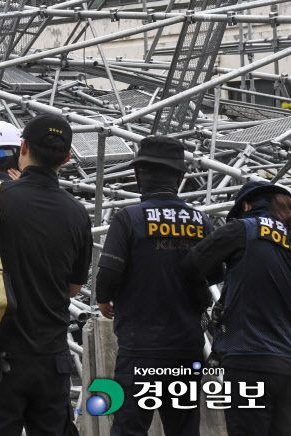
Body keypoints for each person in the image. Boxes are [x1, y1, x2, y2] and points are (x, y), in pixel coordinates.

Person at [0, 114, 91, 436]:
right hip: (51, 357)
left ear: (24, 147)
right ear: (68, 157)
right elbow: (73, 288)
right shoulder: (77, 213)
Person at [95, 136, 211, 436]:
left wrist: (104, 298)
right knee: (184, 428)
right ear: (180, 177)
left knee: (129, 429)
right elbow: (213, 276)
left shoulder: (128, 218)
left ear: (138, 176)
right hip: (186, 346)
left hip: (140, 348)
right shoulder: (202, 222)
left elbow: (108, 271)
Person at [182, 181, 291, 436]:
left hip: (248, 360)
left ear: (247, 205)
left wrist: (216, 280)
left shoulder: (244, 229)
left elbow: (192, 265)